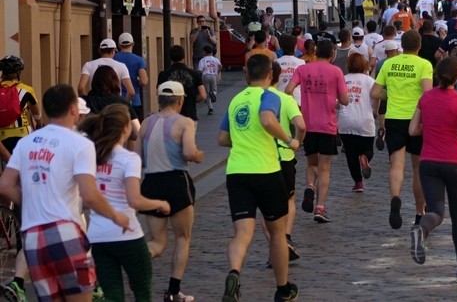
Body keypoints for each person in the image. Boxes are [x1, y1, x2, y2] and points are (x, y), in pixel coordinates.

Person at [0, 85, 131, 302]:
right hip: (65, 232)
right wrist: (116, 216)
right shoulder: (80, 144)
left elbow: (4, 185)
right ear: (73, 109)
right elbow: (89, 195)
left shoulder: (26, 143)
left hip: (33, 238)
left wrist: (32, 201)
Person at [218, 55, 300, 302]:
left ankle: (234, 273)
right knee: (277, 233)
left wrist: (243, 141)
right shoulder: (269, 96)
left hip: (236, 173)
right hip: (265, 171)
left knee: (241, 233)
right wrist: (288, 139)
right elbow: (266, 119)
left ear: (246, 75)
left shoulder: (235, 101)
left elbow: (222, 139)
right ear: (270, 76)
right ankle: (283, 288)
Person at [81, 104, 170, 302]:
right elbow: (134, 199)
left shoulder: (91, 157)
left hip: (97, 237)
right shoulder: (129, 159)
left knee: (112, 295)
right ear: (125, 129)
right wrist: (160, 204)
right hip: (127, 235)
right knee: (142, 292)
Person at [408, 58, 457, 283]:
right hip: (453, 161)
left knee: (436, 212)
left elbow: (412, 130)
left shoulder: (425, 98)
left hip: (428, 161)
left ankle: (423, 229)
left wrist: (429, 128)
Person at [135, 81, 204, 302]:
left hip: (151, 182)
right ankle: (173, 291)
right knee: (183, 237)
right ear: (181, 100)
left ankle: (130, 260)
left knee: (157, 242)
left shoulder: (146, 123)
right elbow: (188, 152)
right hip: (176, 181)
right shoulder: (184, 122)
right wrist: (198, 155)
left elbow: (137, 157)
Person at [370, 30, 433, 230]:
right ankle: (418, 213)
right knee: (417, 169)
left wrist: (392, 93)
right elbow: (428, 93)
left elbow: (375, 92)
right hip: (416, 118)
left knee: (396, 165)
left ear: (401, 46)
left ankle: (395, 198)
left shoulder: (389, 63)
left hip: (394, 118)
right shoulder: (424, 64)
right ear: (419, 45)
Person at [285, 40, 349, 223]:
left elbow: (288, 89)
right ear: (332, 54)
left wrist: (296, 107)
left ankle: (310, 187)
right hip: (327, 126)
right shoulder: (336, 71)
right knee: (325, 167)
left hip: (308, 124)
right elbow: (344, 100)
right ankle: (320, 208)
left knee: (311, 163)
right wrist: (335, 101)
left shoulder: (303, 69)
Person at [0, 56, 41, 300]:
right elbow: (36, 115)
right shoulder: (26, 91)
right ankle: (23, 226)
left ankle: (4, 221)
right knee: (24, 188)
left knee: (4, 185)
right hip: (22, 143)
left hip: (1, 143)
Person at [265, 60, 306, 269]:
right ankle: (286, 238)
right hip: (285, 155)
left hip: (263, 157)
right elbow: (301, 125)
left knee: (266, 206)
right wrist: (297, 141)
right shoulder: (284, 99)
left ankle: (275, 247)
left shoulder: (251, 99)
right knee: (289, 198)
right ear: (278, 77)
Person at [337, 54, 377, 192]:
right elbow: (376, 97)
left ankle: (358, 183)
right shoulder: (369, 81)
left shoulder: (343, 80)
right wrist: (376, 110)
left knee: (350, 154)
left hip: (346, 120)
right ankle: (365, 157)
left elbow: (338, 101)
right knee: (368, 148)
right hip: (365, 119)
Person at [157, 45, 206, 123]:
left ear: (170, 58)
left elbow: (160, 93)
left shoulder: (163, 74)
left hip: (169, 116)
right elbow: (203, 95)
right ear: (184, 57)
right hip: (189, 114)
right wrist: (192, 99)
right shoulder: (194, 74)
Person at [114, 32, 149, 121]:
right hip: (134, 101)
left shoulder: (114, 58)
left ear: (119, 45)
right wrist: (137, 82)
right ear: (132, 44)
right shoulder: (139, 60)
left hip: (116, 100)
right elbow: (144, 81)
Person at [277, 35, 305, 105]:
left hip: (280, 101)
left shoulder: (275, 62)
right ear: (295, 47)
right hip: (297, 101)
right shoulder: (302, 63)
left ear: (281, 47)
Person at [198, 45, 223, 115]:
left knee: (207, 92)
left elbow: (200, 70)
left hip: (205, 76)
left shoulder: (203, 60)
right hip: (213, 75)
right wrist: (217, 72)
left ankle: (210, 108)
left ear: (205, 52)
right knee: (214, 89)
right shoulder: (215, 59)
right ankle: (214, 93)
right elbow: (220, 66)